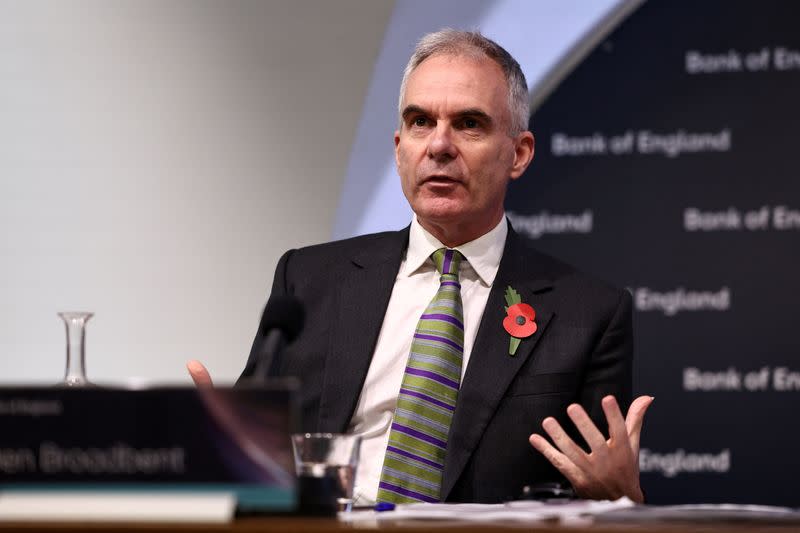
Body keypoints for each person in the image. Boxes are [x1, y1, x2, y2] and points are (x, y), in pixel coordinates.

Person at [188, 29, 652, 505]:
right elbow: (253, 470)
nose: (439, 146)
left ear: (519, 153)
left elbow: (597, 497)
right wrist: (221, 443)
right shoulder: (309, 279)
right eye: (420, 122)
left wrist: (623, 499)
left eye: (469, 123)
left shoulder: (588, 314)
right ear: (399, 147)